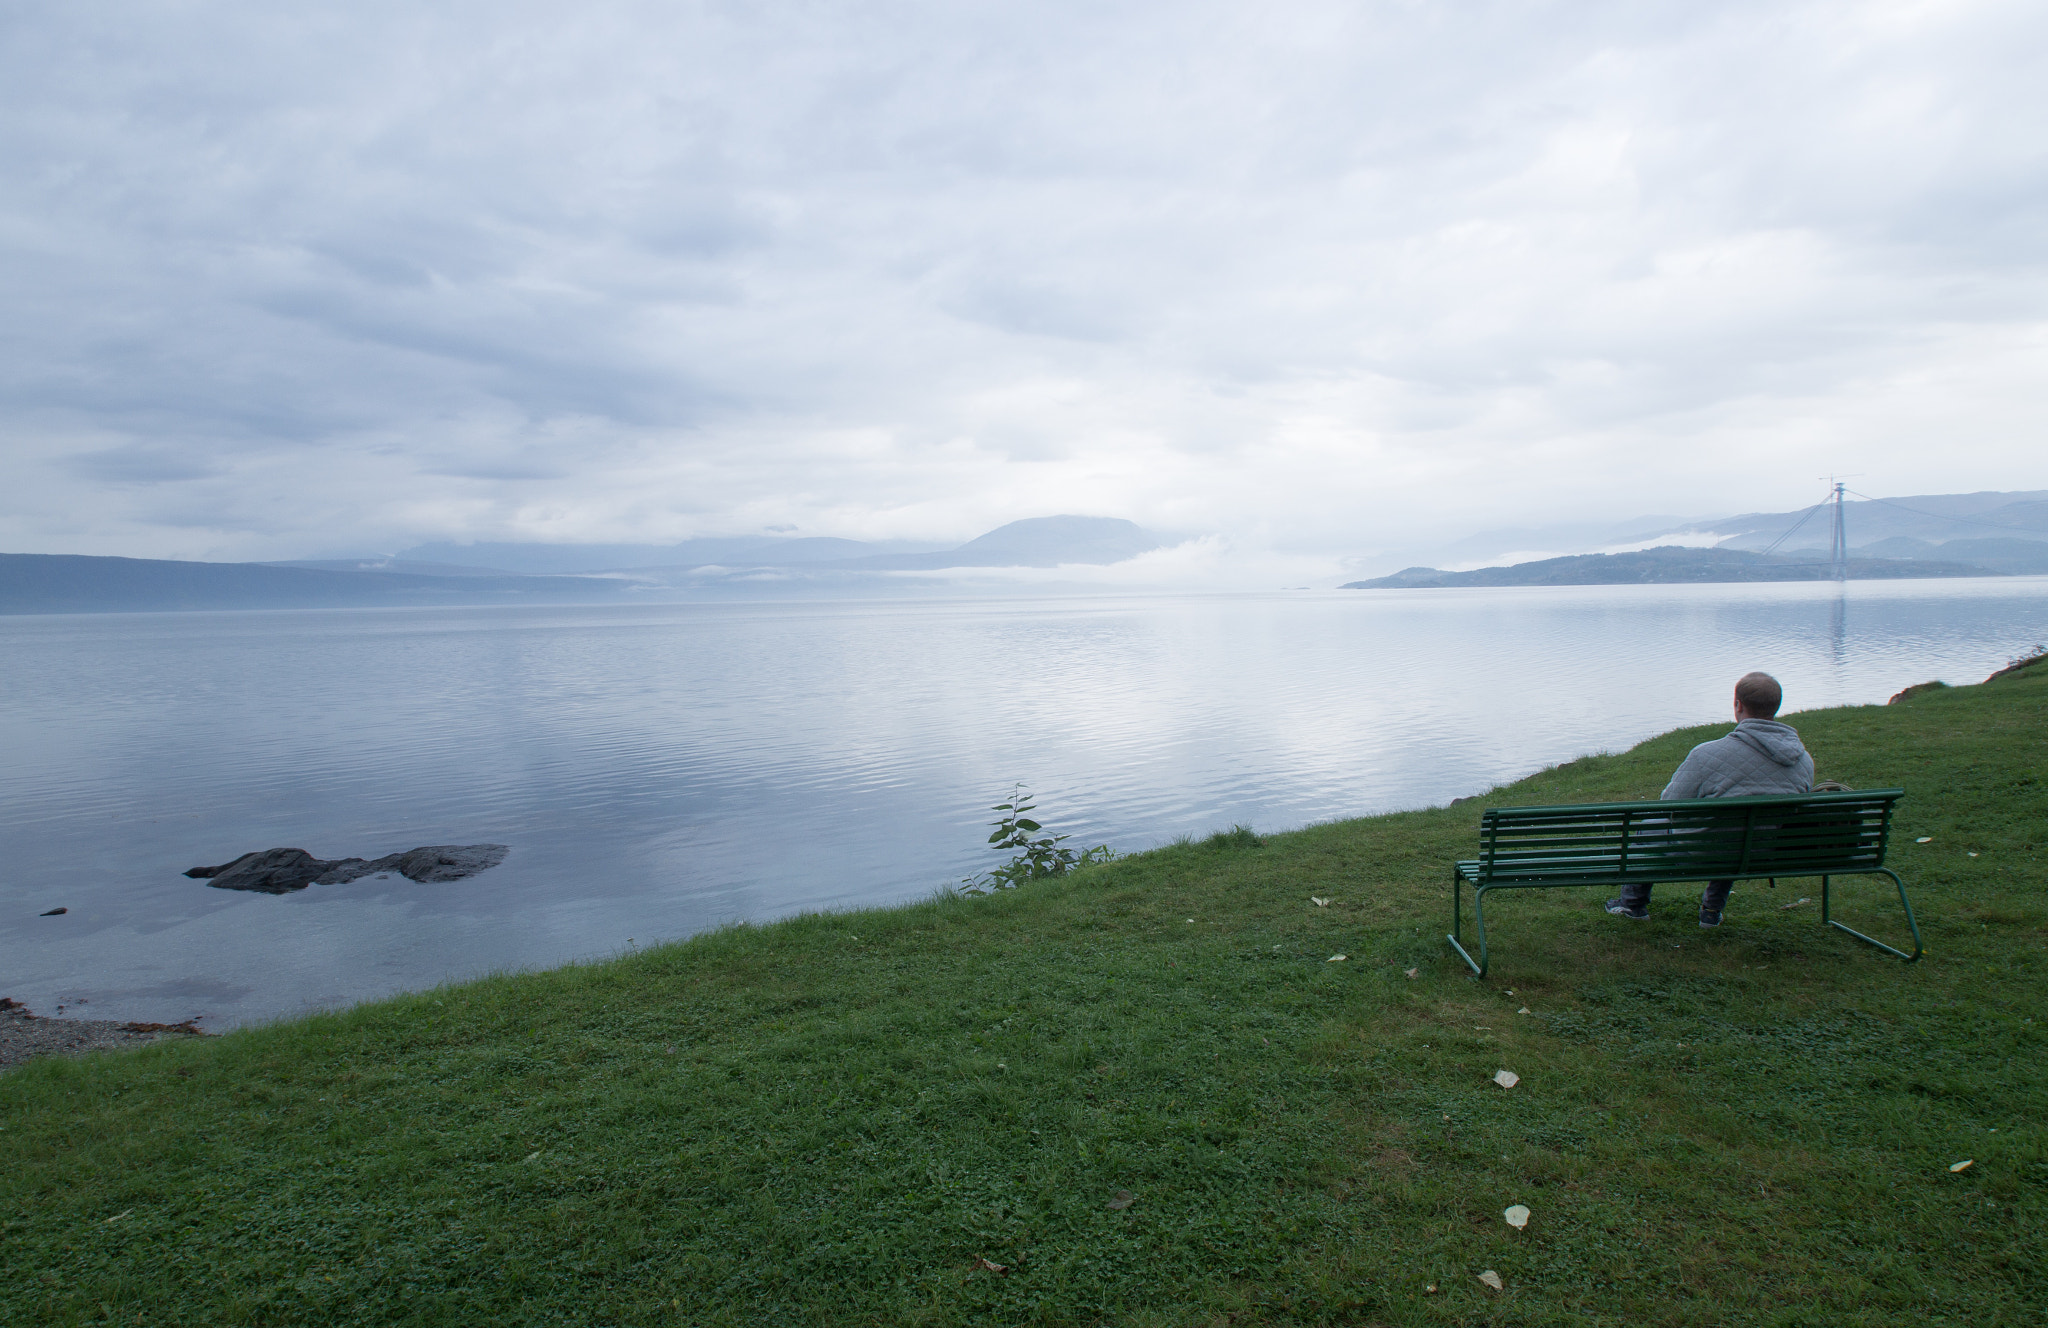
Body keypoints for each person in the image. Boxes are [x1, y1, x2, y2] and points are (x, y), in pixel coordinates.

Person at [1606, 671, 1814, 928]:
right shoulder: (1803, 760)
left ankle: (1632, 905)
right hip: (1761, 852)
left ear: (1738, 705)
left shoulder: (1707, 754)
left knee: (1650, 827)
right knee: (1740, 831)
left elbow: (1669, 804)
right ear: (1776, 705)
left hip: (1704, 850)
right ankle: (1711, 911)